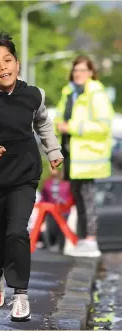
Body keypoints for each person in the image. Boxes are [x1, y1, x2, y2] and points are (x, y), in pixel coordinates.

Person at [0, 32, 63, 322]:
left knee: (17, 232)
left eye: (8, 60)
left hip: (25, 176)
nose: (3, 68)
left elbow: (43, 124)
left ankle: (20, 294)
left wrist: (53, 150)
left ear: (18, 63)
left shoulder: (33, 95)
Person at [54, 55, 114, 258]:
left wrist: (72, 127)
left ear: (91, 73)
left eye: (83, 70)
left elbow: (104, 126)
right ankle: (83, 239)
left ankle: (91, 240)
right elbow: (60, 118)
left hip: (88, 156)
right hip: (72, 154)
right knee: (78, 196)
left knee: (87, 197)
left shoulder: (96, 94)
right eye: (76, 70)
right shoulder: (69, 92)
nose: (79, 74)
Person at [39, 167, 73, 252]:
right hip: (51, 212)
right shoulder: (47, 183)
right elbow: (43, 197)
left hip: (63, 212)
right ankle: (52, 247)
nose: (51, 170)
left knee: (62, 230)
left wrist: (66, 204)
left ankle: (61, 249)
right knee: (52, 229)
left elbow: (70, 196)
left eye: (53, 168)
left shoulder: (65, 182)